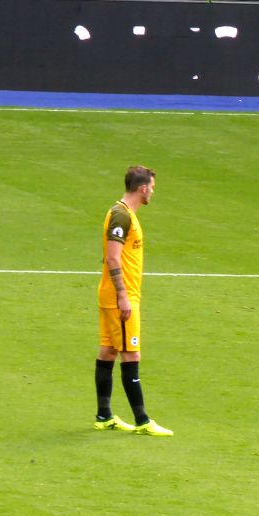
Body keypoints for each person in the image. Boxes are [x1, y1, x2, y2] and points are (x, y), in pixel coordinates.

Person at [94, 165, 173, 438]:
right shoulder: (121, 216)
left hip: (112, 295)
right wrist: (123, 296)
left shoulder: (123, 213)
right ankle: (142, 420)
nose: (152, 191)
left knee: (108, 351)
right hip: (121, 298)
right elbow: (113, 257)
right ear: (142, 188)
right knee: (131, 354)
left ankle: (104, 416)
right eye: (151, 187)